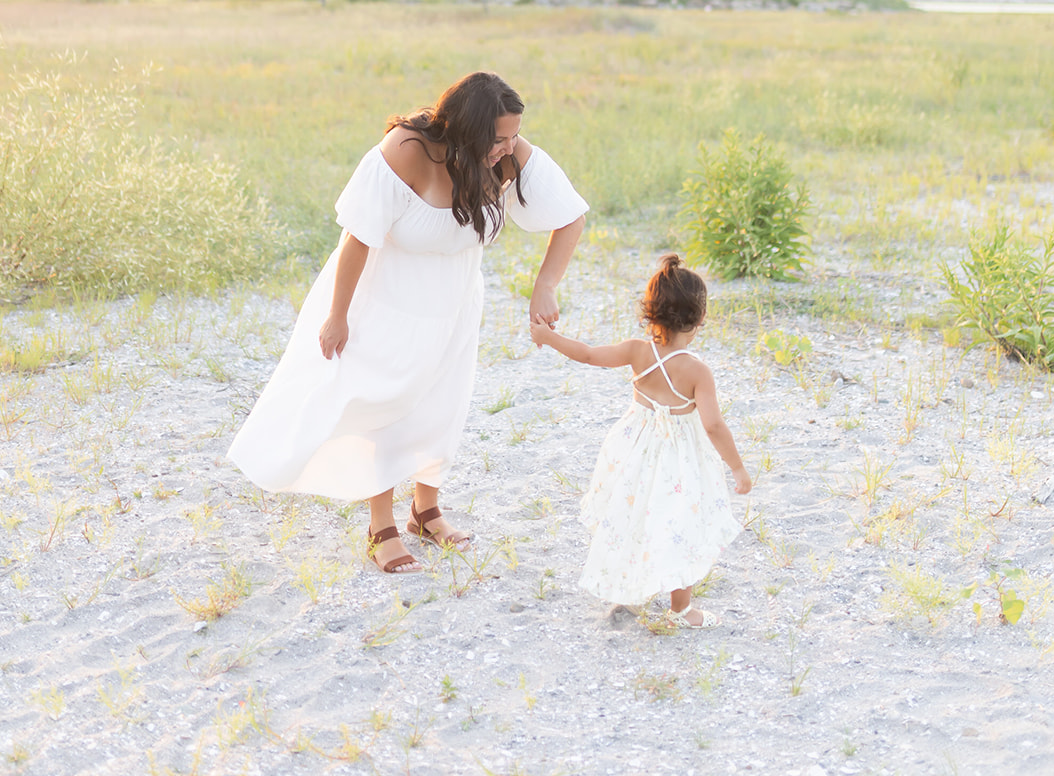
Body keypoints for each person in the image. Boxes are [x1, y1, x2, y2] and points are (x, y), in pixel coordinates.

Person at [227, 71, 587, 575]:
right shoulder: (407, 149)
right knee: (384, 408)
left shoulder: (508, 155)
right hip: (386, 300)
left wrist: (545, 285)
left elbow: (571, 215)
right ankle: (382, 527)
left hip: (454, 302)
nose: (508, 147)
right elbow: (358, 236)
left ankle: (426, 510)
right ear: (467, 128)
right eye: (498, 137)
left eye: (513, 135)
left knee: (441, 406)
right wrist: (338, 315)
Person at [531, 252, 750, 626]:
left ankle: (631, 587)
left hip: (633, 450)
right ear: (700, 320)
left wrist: (549, 338)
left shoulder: (636, 351)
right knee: (679, 525)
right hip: (678, 460)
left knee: (633, 516)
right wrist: (738, 468)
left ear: (649, 311)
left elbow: (586, 355)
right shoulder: (697, 371)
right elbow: (713, 426)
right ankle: (681, 610)